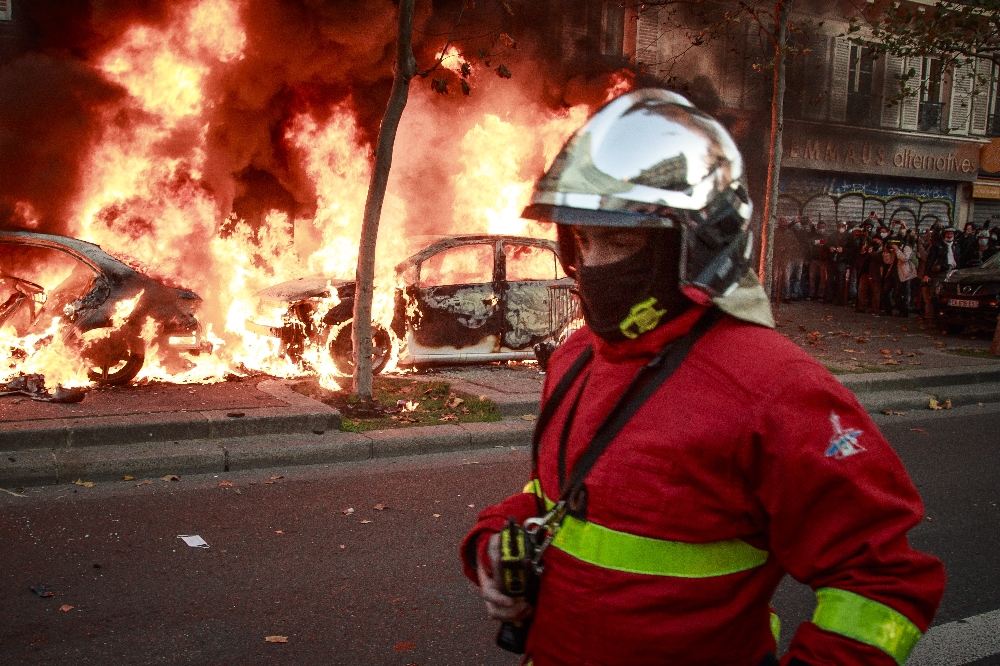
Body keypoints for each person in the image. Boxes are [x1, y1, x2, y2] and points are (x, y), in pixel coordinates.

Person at [460, 89, 944, 666]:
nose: (591, 265)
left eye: (619, 240)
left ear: (696, 246)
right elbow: (558, 496)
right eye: (581, 240)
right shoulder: (576, 359)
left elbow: (882, 581)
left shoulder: (774, 389)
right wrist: (495, 543)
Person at [921, 227, 961, 322]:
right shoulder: (937, 245)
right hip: (940, 273)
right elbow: (930, 260)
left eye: (951, 233)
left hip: (954, 272)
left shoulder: (956, 245)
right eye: (947, 233)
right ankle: (931, 317)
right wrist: (926, 274)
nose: (949, 235)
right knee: (935, 295)